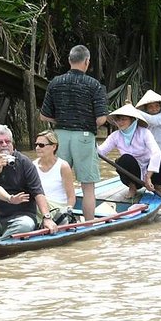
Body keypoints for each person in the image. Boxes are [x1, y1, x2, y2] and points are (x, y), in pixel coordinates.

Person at [40, 44, 108, 222]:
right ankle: (89, 225)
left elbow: (43, 115)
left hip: (59, 137)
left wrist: (62, 121)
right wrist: (84, 122)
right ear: (87, 62)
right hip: (84, 137)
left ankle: (52, 219)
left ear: (69, 60)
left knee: (58, 181)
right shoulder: (94, 85)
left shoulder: (55, 82)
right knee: (88, 187)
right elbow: (101, 119)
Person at [0, 123, 57, 240]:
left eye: (8, 142)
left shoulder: (24, 162)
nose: (4, 145)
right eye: (0, 142)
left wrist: (47, 218)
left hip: (20, 217)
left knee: (25, 225)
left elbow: (38, 192)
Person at [98, 103, 161, 198]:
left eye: (123, 119)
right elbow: (101, 152)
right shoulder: (115, 136)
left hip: (150, 172)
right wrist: (90, 142)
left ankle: (157, 185)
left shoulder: (144, 132)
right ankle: (132, 187)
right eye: (118, 119)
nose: (120, 122)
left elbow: (156, 152)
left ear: (132, 120)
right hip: (133, 174)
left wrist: (148, 177)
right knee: (124, 159)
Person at [32, 130, 76, 224]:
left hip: (57, 207)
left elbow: (71, 196)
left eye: (41, 145)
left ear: (53, 147)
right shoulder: (33, 165)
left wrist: (67, 212)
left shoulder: (63, 166)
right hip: (40, 205)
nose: (37, 148)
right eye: (36, 144)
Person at [135, 89, 161, 160]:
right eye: (150, 106)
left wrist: (134, 110)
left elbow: (154, 120)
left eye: (157, 106)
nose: (154, 109)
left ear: (160, 106)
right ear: (146, 109)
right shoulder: (144, 121)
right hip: (153, 157)